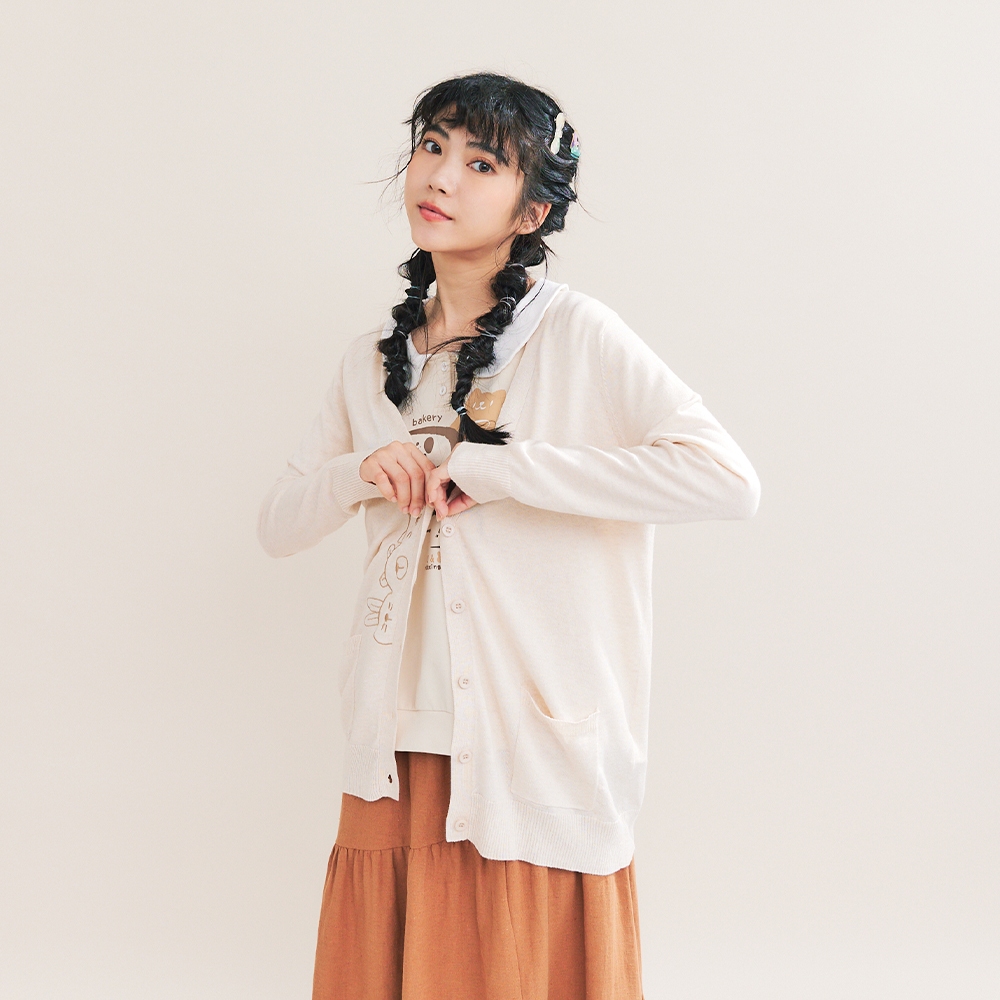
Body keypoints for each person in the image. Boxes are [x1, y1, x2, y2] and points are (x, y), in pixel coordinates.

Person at [257, 71, 760, 1000]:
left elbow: (725, 479)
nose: (441, 176)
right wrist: (359, 471)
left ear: (532, 212)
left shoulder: (575, 334)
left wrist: (505, 469)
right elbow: (279, 524)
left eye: (482, 163)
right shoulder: (371, 363)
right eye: (432, 146)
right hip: (393, 743)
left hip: (529, 740)